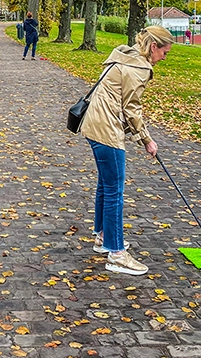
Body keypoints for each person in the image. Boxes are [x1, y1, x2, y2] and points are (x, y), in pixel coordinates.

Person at [80, 25, 173, 276]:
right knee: (114, 191)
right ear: (154, 46)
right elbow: (132, 108)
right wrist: (147, 140)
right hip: (106, 131)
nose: (164, 57)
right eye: (164, 52)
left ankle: (102, 237)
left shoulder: (124, 56)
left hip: (93, 125)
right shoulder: (139, 68)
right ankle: (117, 254)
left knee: (105, 185)